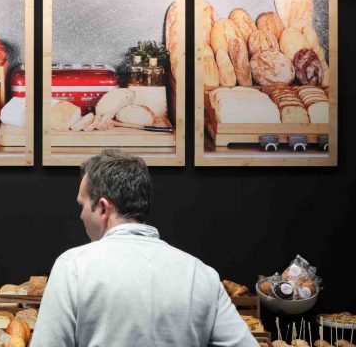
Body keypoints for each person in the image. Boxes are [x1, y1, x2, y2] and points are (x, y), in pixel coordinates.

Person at [30, 149, 256, 347]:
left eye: (82, 205)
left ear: (103, 208)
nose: (80, 215)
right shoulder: (201, 274)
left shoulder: (72, 267)